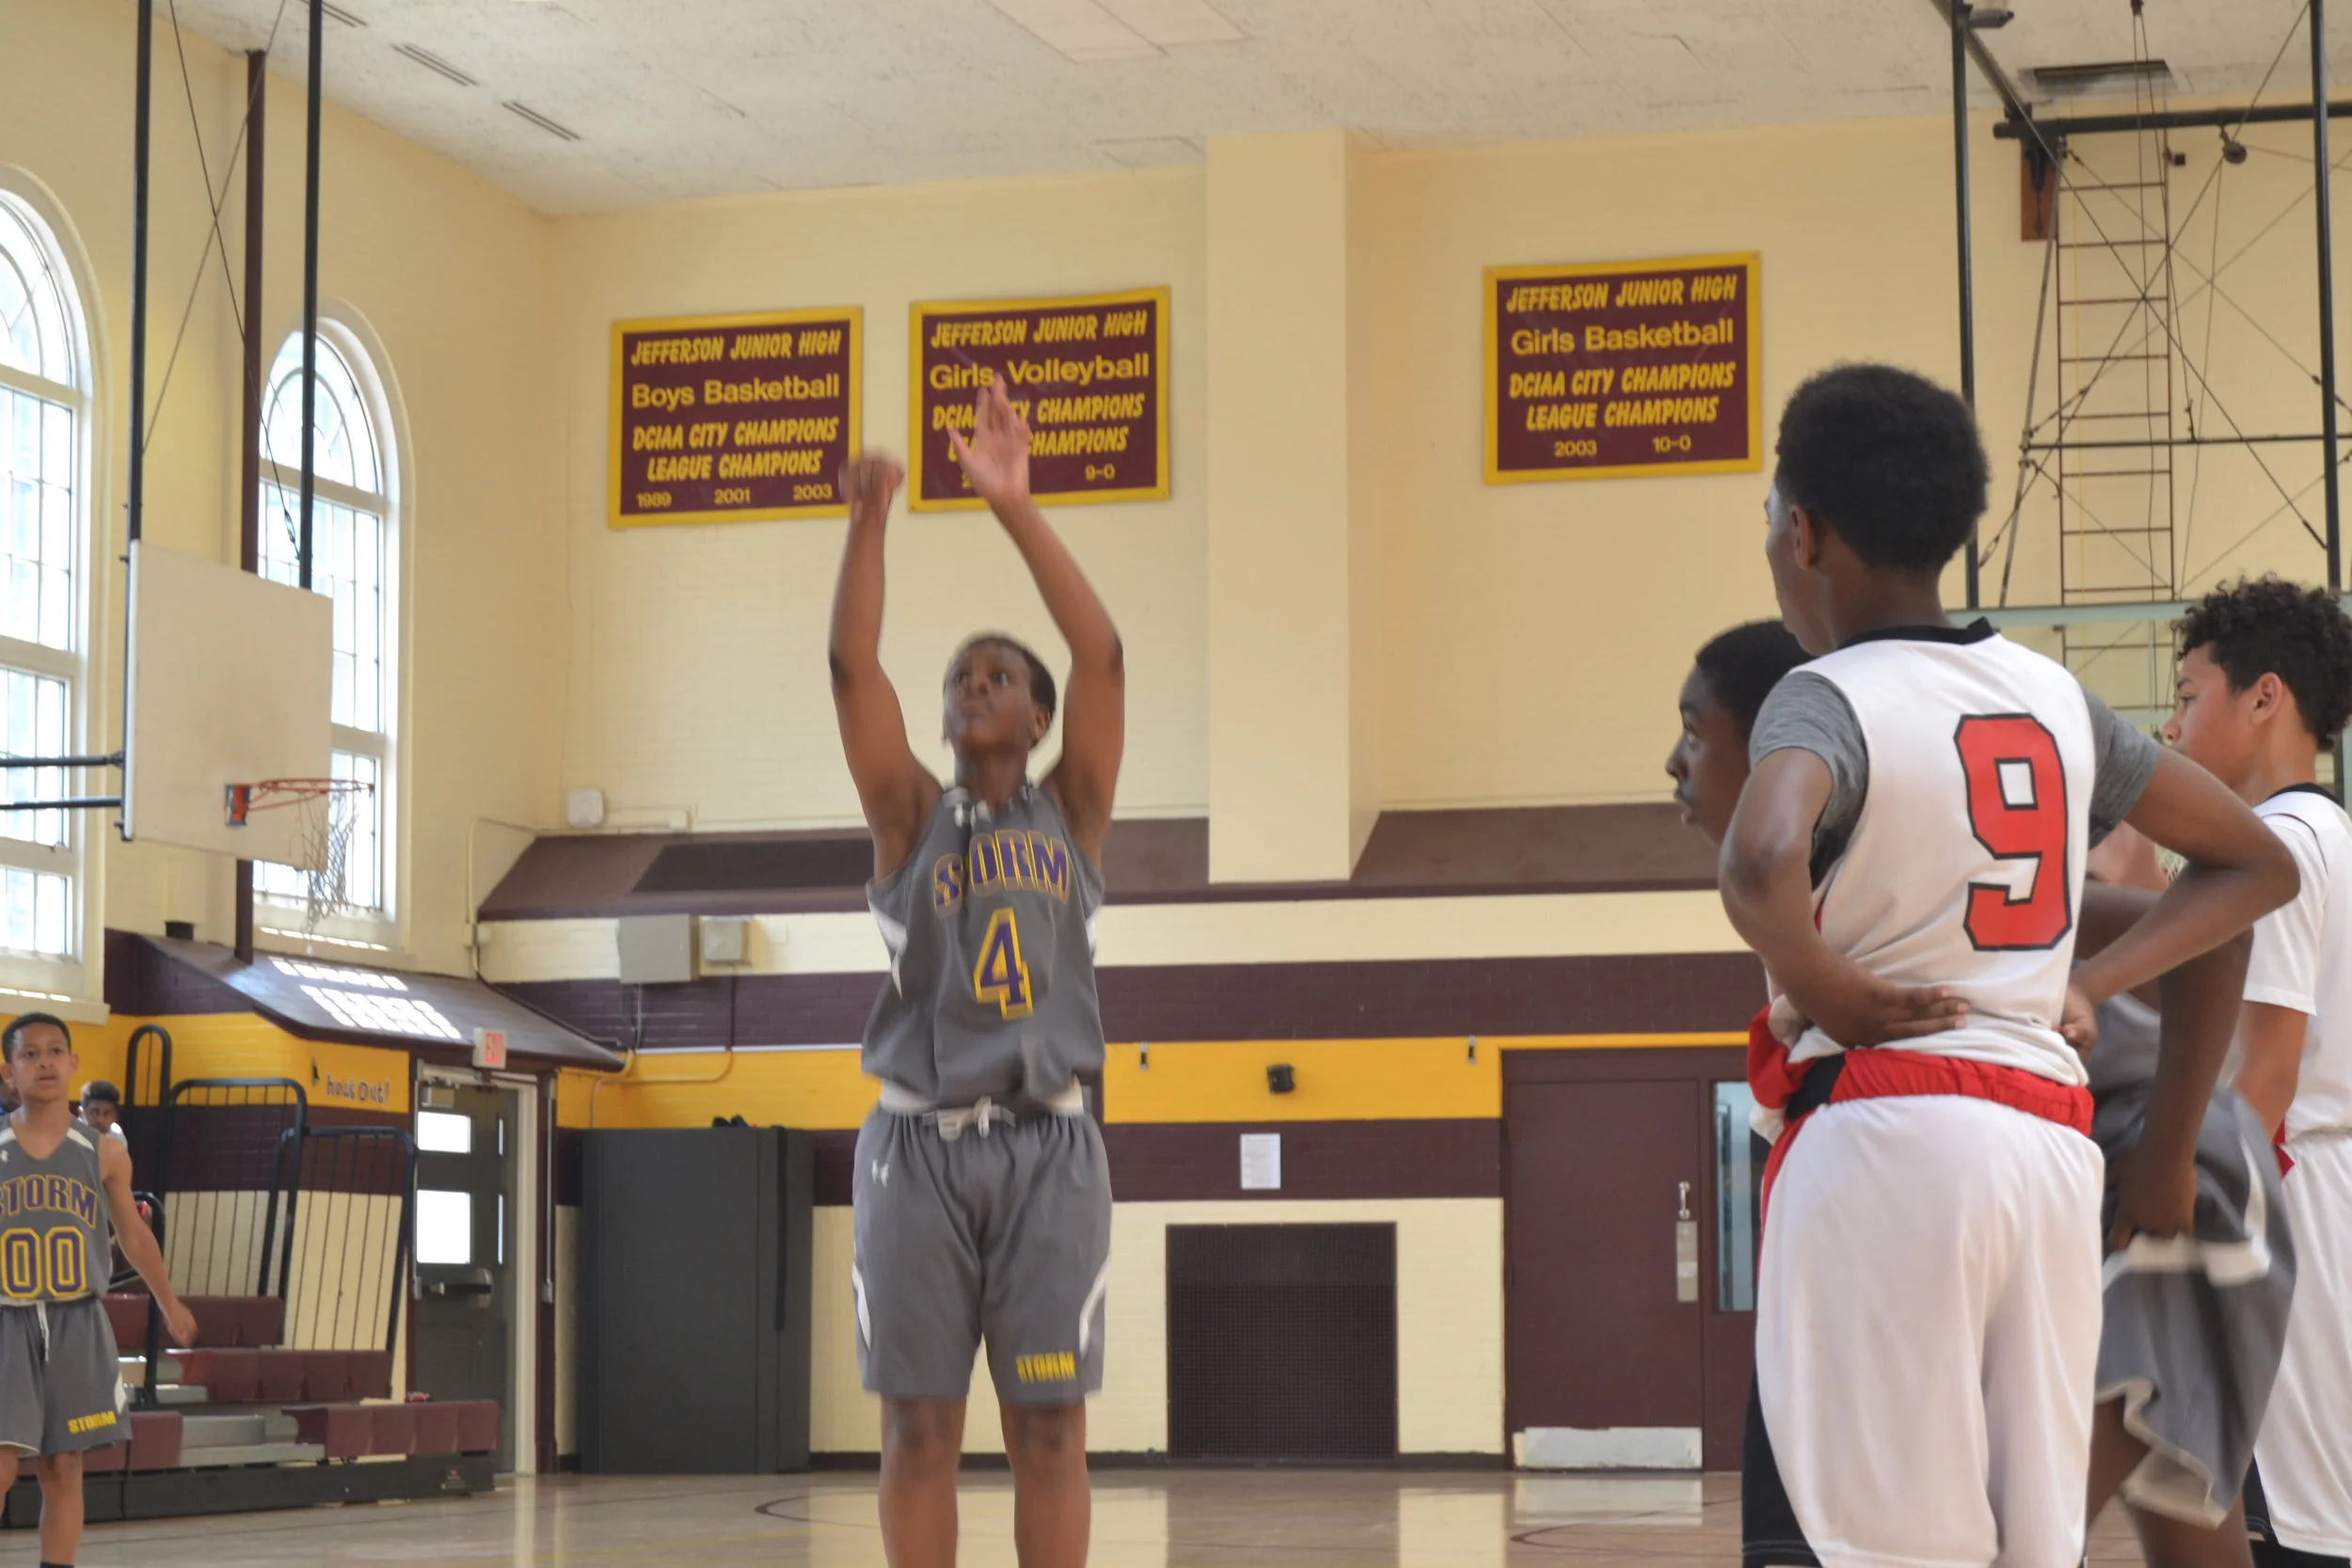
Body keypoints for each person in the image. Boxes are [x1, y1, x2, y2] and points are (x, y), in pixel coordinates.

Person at [1718, 363, 2299, 1568]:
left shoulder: (1822, 693)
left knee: (1889, 1544)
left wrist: (1825, 987)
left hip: (1889, 1138)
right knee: (2030, 1545)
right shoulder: (2048, 693)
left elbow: (1760, 852)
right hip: (2044, 1152)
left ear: (1803, 532)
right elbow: (2248, 870)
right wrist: (2104, 1020)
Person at [829, 380, 1121, 1568]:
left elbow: (1100, 647)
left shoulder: (1075, 810)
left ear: (1041, 714)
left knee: (1050, 1425)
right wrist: (868, 521)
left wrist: (1013, 503)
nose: (974, 680)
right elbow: (853, 668)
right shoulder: (909, 817)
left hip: (1050, 1143)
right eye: (961, 674)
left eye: (1001, 672)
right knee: (916, 1425)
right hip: (917, 1144)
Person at [2162, 577, 2352, 1568]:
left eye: (2189, 694)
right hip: (2326, 1197)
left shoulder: (2275, 843)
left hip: (2293, 1207)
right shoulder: (2337, 835)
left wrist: (2187, 1248)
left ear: (2263, 696)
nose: (2172, 719)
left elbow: (2266, 1078)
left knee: (2293, 1527)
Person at [0, 1015, 195, 1568]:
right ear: (9, 1072)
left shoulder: (104, 1151)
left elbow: (132, 1233)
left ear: (73, 1063)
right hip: (6, 1318)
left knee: (64, 1469)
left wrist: (168, 1299)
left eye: (55, 1051)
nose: (44, 1061)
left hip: (76, 1320)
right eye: (30, 1053)